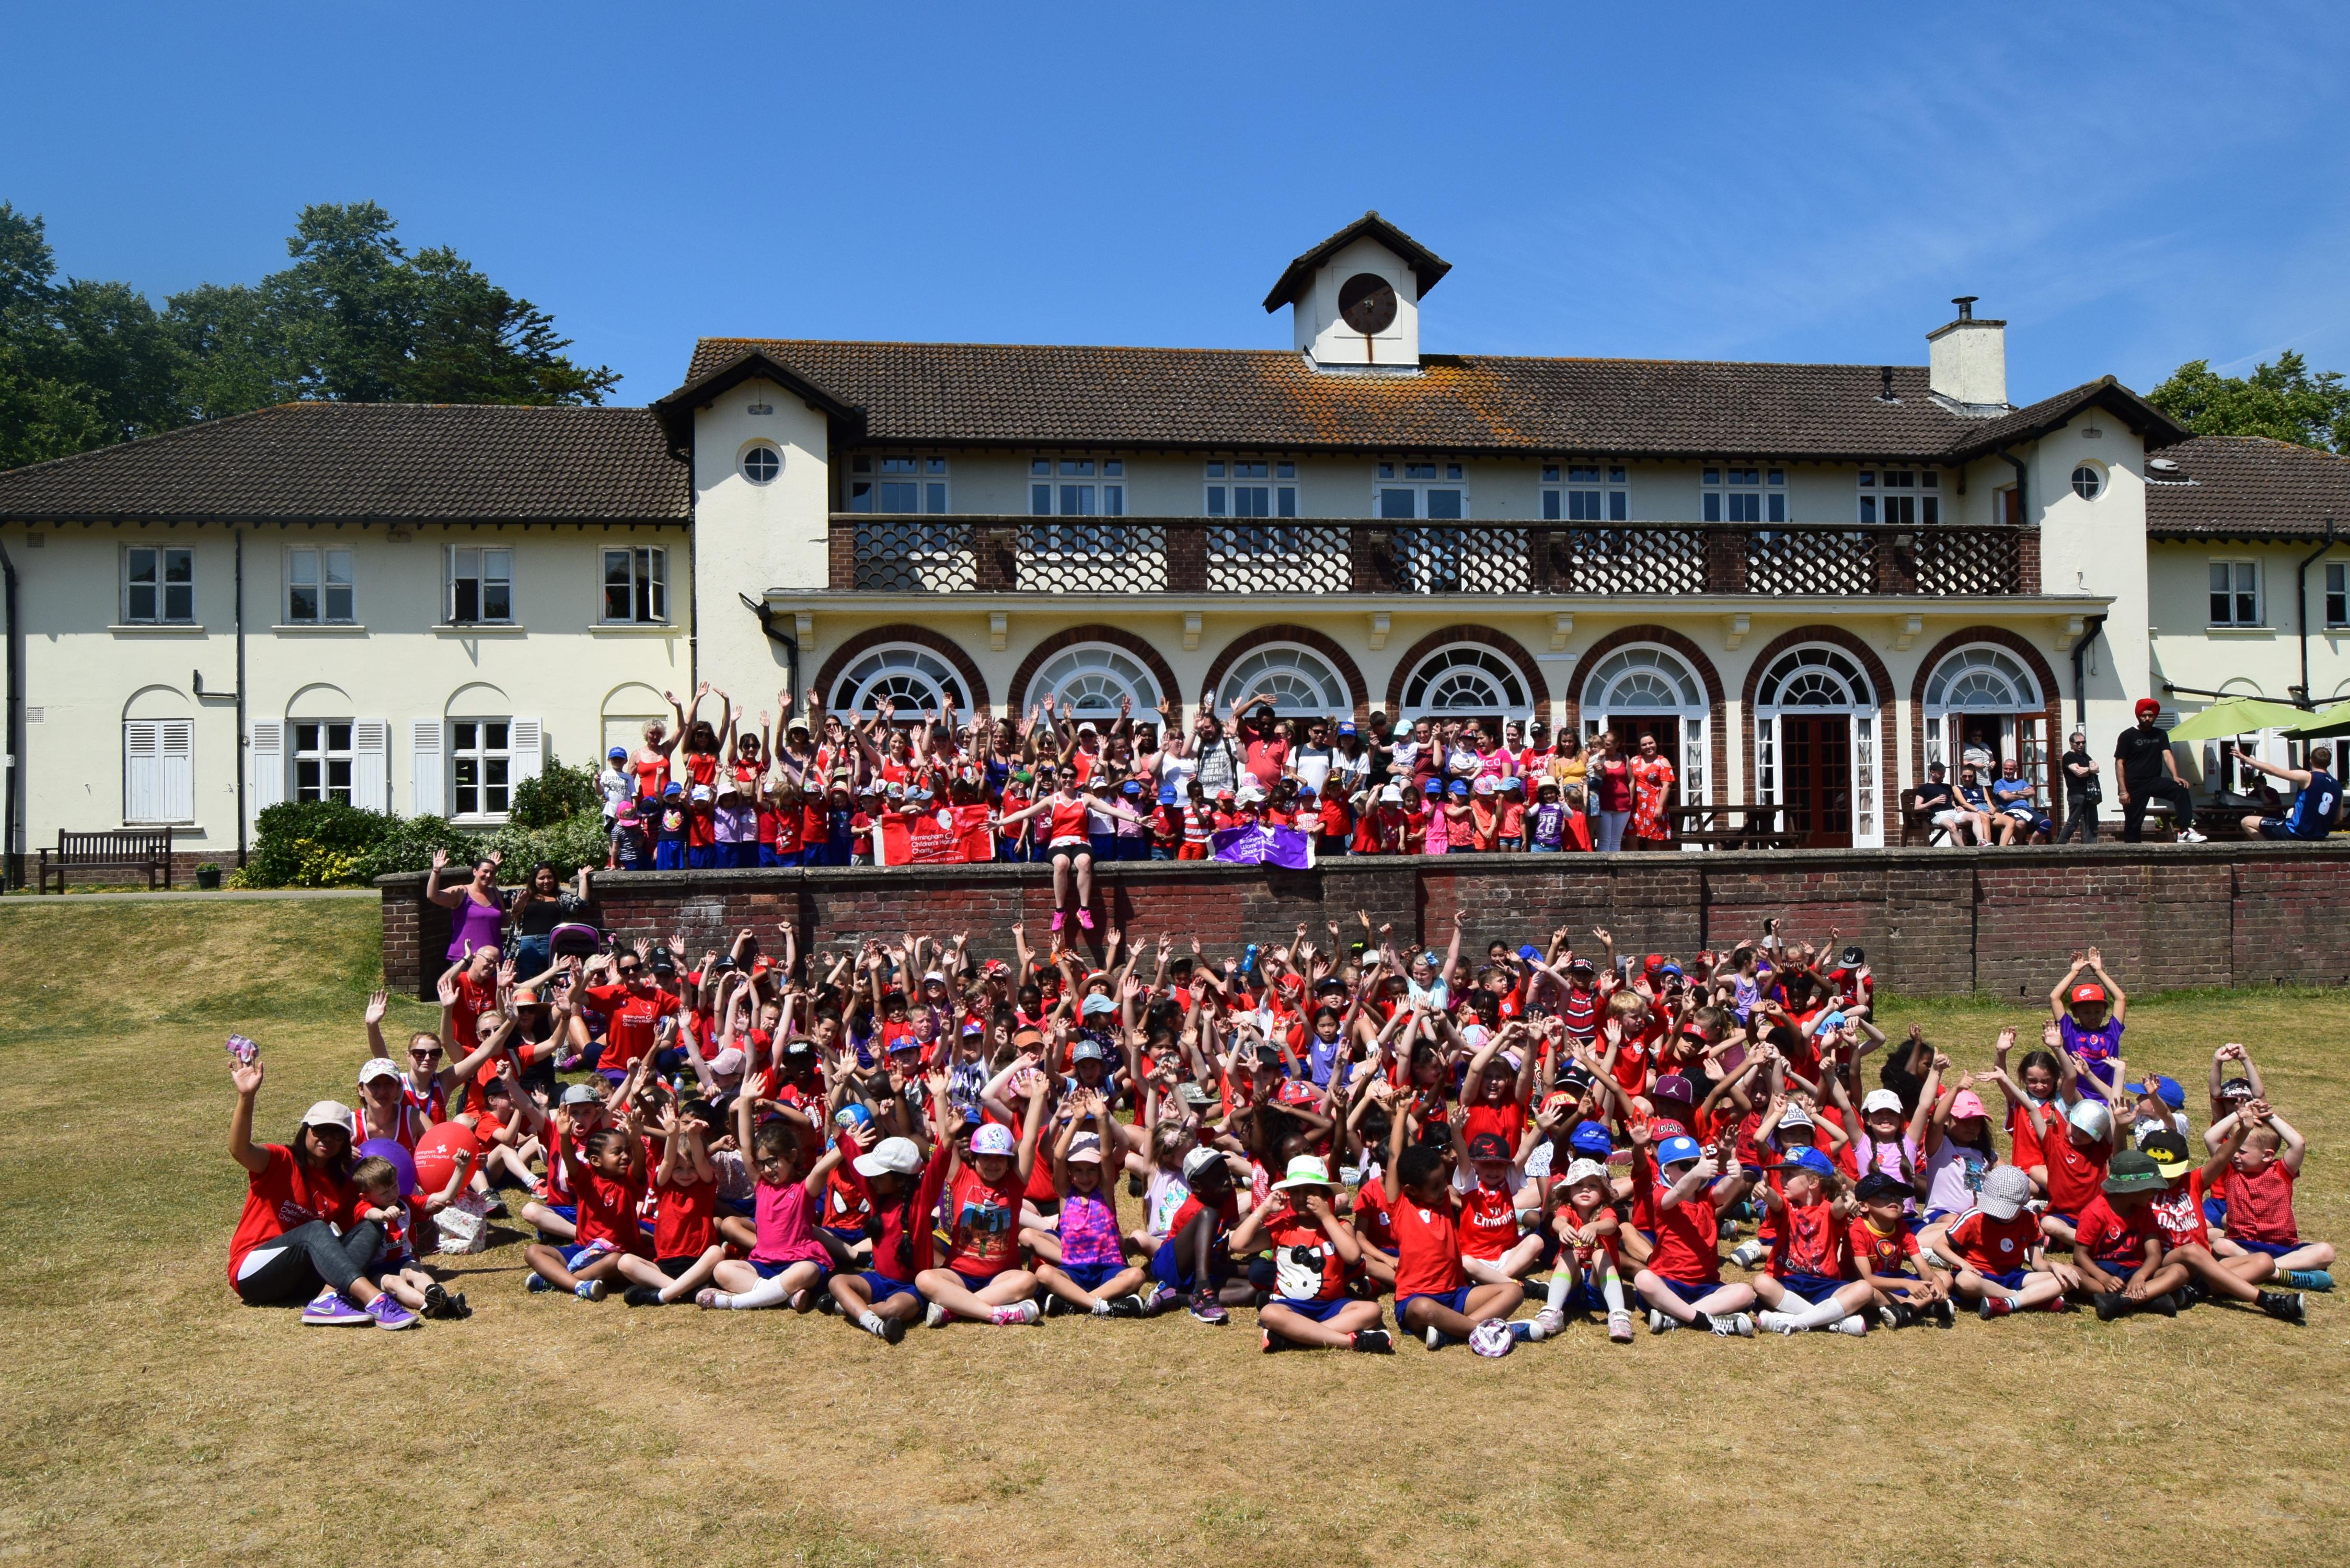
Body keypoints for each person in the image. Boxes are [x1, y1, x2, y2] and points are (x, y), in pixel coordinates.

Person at [226, 1047, 417, 1329]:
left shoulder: (342, 1183)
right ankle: (375, 1300)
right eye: (320, 1130)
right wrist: (246, 1097)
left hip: (300, 1280)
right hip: (253, 1273)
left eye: (337, 1133)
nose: (328, 1138)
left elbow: (359, 1235)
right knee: (314, 1230)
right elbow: (239, 1149)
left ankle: (327, 1299)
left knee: (370, 1224)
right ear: (306, 1130)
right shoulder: (280, 1160)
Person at [1229, 1155, 1393, 1353]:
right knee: (1269, 1313)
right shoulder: (1282, 1227)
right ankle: (1350, 1342)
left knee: (1373, 1310)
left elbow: (1353, 1257)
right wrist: (1264, 1209)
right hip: (1290, 1306)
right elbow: (1238, 1244)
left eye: (1309, 1191)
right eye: (1295, 1191)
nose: (1301, 1197)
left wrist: (1326, 1216)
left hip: (1333, 1306)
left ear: (1325, 1196)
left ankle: (1295, 1336)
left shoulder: (1340, 1226)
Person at [2114, 698, 2204, 842]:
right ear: (2138, 716)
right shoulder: (2127, 736)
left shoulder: (2160, 734)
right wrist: (2123, 790)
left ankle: (2185, 831)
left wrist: (2175, 776)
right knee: (2133, 823)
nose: (2147, 718)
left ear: (2155, 716)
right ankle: (2132, 851)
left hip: (2153, 780)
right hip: (2134, 784)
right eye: (2144, 715)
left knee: (2180, 789)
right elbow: (2119, 763)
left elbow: (2167, 755)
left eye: (2151, 715)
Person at [2229, 741, 2341, 840]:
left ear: (2311, 761)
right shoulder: (2337, 786)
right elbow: (2338, 818)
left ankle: (2270, 852)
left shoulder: (2308, 777)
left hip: (2296, 831)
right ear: (2329, 763)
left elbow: (2273, 771)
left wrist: (2245, 758)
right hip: (2319, 835)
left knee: (2247, 822)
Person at [424, 848, 506, 966]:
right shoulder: (462, 892)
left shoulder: (495, 893)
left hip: (492, 959)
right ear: (475, 871)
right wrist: (436, 870)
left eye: (492, 873)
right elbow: (433, 896)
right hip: (465, 958)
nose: (489, 875)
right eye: (485, 871)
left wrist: (515, 910)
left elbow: (503, 922)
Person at [1911, 762, 1987, 846]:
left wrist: (1957, 807)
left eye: (1944, 773)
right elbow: (1917, 807)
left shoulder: (1947, 787)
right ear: (1933, 773)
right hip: (1939, 815)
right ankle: (1964, 851)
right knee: (1951, 826)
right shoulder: (1924, 788)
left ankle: (1981, 842)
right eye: (1941, 773)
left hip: (1954, 812)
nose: (1943, 776)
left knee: (1976, 816)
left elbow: (1952, 802)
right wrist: (1933, 802)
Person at [2055, 730, 2101, 843]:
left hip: (2090, 793)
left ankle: (2090, 848)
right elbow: (2079, 773)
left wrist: (2087, 769)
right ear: (2071, 743)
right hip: (2076, 794)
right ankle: (2059, 845)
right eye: (2078, 743)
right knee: (2073, 822)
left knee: (2092, 822)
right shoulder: (2069, 757)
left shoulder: (2085, 756)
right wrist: (2090, 770)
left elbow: (2097, 769)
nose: (2081, 745)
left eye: (2083, 742)